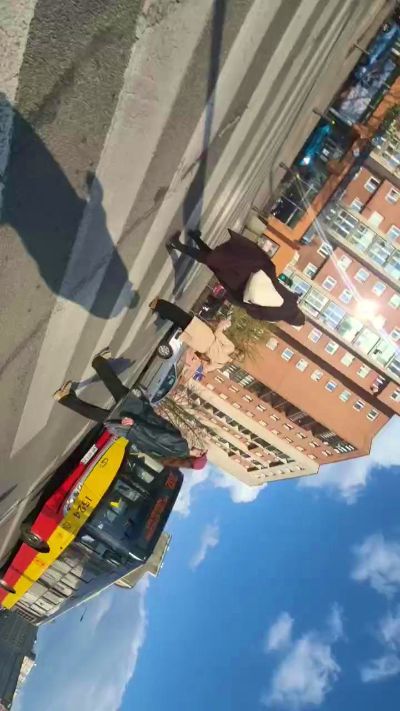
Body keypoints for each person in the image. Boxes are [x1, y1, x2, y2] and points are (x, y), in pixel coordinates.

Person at [53, 348, 207, 470]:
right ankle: (66, 396)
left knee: (118, 391)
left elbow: (157, 435)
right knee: (103, 414)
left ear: (195, 457)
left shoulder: (181, 446)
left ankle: (98, 365)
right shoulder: (171, 460)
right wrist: (134, 430)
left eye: (200, 453)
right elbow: (147, 446)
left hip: (139, 418)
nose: (199, 449)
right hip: (132, 433)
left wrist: (135, 424)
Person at [167, 229, 305, 326]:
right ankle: (192, 239)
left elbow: (277, 285)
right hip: (238, 286)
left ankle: (181, 243)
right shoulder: (274, 318)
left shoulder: (292, 301)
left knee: (216, 258)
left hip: (250, 272)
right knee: (213, 261)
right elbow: (253, 313)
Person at [149, 297, 235, 372]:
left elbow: (218, 333)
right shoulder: (220, 365)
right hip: (200, 347)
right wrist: (209, 359)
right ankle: (163, 311)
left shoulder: (231, 348)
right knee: (181, 323)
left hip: (207, 336)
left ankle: (159, 304)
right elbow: (205, 369)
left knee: (183, 317)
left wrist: (222, 326)